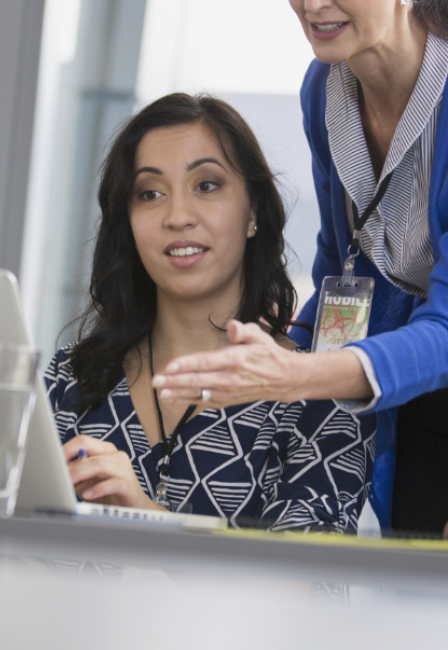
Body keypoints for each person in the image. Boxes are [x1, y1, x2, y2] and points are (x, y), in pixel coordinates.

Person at [150, 1, 448, 535]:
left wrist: (298, 374)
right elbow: (342, 266)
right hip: (412, 387)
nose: (312, 5)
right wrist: (284, 346)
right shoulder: (325, 86)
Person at [44, 93, 376, 532]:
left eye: (206, 185)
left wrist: (143, 515)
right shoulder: (71, 376)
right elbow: (4, 550)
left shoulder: (323, 397)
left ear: (254, 209)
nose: (178, 216)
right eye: (150, 193)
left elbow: (300, 582)